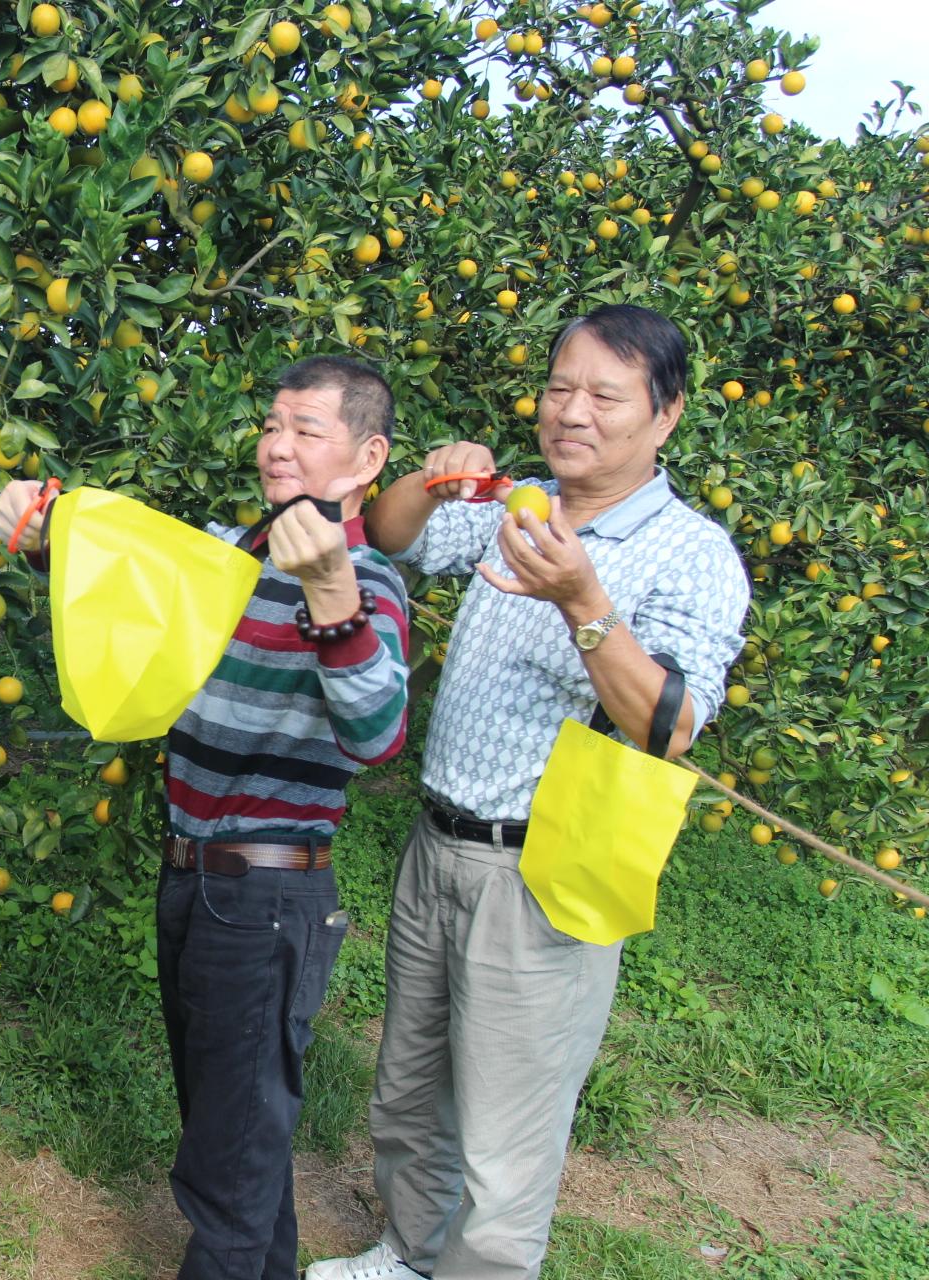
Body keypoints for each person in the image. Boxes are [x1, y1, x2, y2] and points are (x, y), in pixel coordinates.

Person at [308, 305, 750, 1280]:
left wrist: (583, 600)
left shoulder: (693, 553)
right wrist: (433, 482)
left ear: (666, 414)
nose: (572, 411)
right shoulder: (521, 503)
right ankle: (410, 1252)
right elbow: (390, 535)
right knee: (409, 1090)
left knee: (505, 1143)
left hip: (545, 869)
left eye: (605, 395)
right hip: (439, 843)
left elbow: (670, 726)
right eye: (559, 388)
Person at [0, 356, 411, 1279]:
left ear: (367, 457)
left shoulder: (368, 581)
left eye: (306, 430)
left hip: (267, 898)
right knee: (235, 1137)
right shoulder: (226, 554)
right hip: (191, 876)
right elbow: (127, 576)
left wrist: (330, 591)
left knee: (229, 1164)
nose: (278, 446)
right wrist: (41, 524)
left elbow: (379, 735)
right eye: (271, 426)